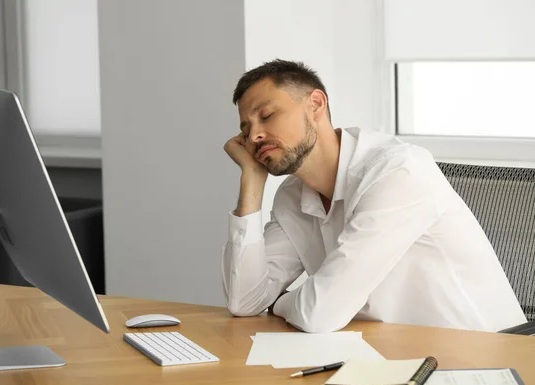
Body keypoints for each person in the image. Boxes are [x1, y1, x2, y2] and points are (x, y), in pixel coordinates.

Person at [221, 59, 526, 333]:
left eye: (267, 115)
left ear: (315, 104)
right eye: (246, 129)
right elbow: (245, 302)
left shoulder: (397, 171)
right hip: (386, 356)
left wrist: (280, 302)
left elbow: (319, 314)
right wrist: (251, 182)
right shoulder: (292, 197)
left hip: (482, 361)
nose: (255, 136)